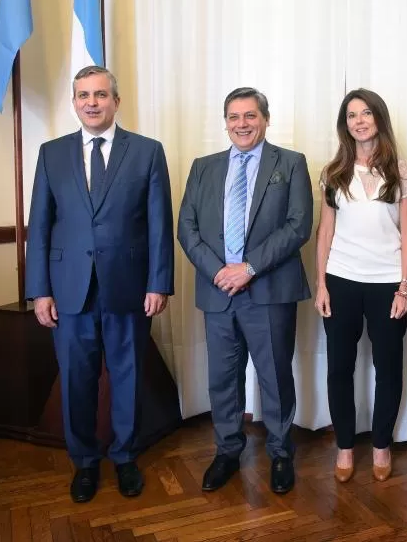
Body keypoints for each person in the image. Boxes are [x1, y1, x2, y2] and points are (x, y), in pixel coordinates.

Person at [26, 65, 175, 503]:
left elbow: (159, 224)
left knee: (128, 377)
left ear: (116, 100)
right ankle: (85, 463)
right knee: (76, 379)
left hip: (129, 287)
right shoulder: (51, 153)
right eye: (83, 95)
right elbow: (41, 225)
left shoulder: (147, 151)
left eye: (100, 94)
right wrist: (40, 290)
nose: (92, 102)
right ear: (74, 102)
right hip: (68, 289)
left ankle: (125, 457)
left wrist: (159, 283)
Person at [177, 87, 313, 495]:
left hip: (268, 290)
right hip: (218, 290)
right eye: (234, 117)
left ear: (266, 119)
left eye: (250, 116)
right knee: (222, 378)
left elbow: (298, 225)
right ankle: (227, 452)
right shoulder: (203, 167)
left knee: (274, 376)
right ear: (225, 123)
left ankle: (280, 452)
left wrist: (249, 268)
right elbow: (187, 228)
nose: (242, 124)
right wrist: (221, 271)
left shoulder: (290, 163)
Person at [314, 89, 407, 483]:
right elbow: (324, 233)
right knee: (339, 368)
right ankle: (344, 447)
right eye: (351, 115)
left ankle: (381, 446)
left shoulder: (403, 172)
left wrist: (405, 287)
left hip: (387, 282)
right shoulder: (332, 173)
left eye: (366, 113)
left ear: (379, 119)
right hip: (341, 280)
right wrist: (321, 284)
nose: (359, 121)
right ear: (346, 125)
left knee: (388, 367)